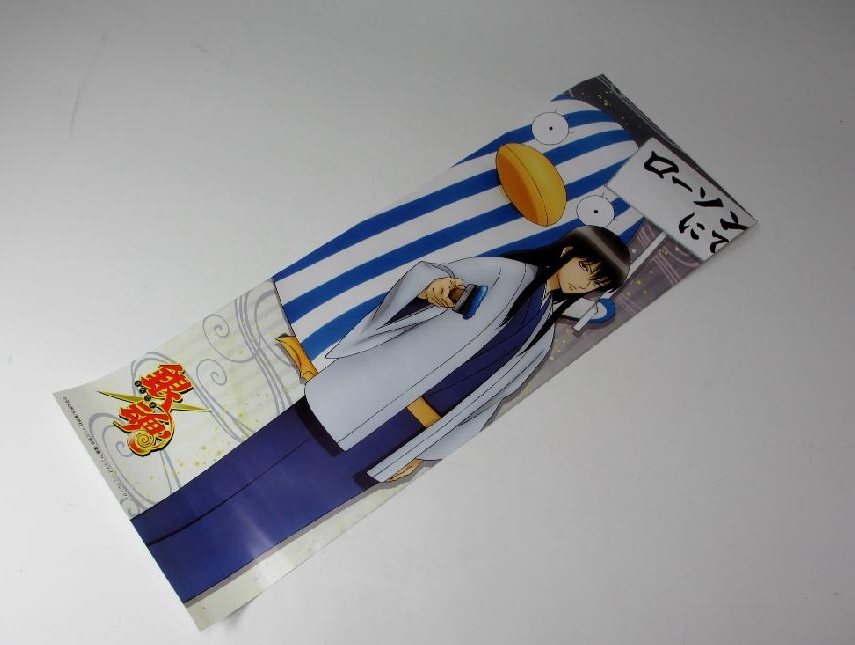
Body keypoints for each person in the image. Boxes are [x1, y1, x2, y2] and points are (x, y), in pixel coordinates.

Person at [131, 225, 631, 602]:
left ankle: (181, 583)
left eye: (596, 281)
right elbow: (426, 273)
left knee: (288, 513)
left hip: (402, 436)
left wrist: (428, 452)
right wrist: (436, 289)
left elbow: (486, 406)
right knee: (240, 472)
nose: (585, 281)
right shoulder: (507, 272)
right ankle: (143, 539)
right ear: (568, 252)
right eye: (587, 267)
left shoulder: (541, 339)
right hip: (362, 397)